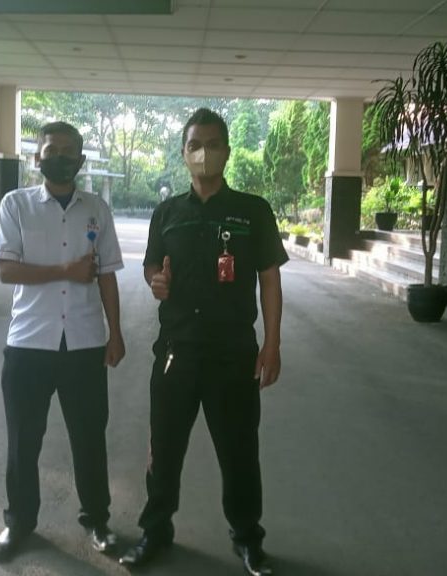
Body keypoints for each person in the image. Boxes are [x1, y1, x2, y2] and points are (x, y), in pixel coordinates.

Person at [119, 108, 287, 576]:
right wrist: (156, 281)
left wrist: (272, 344)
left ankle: (248, 538)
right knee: (164, 449)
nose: (204, 153)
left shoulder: (253, 211)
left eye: (213, 145)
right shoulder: (167, 213)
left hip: (233, 354)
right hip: (177, 352)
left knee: (239, 452)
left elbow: (270, 280)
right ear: (183, 153)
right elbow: (151, 266)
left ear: (227, 152)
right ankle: (155, 531)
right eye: (195, 145)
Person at [0, 121, 125, 562]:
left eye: (69, 151)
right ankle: (19, 523)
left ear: (80, 160)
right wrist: (65, 271)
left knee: (89, 438)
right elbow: (6, 270)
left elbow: (107, 274)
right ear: (38, 157)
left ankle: (97, 520)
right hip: (29, 342)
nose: (60, 157)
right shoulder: (16, 205)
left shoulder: (97, 210)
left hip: (84, 342)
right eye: (52, 150)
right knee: (23, 441)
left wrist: (116, 332)